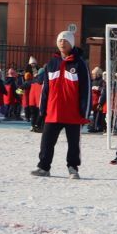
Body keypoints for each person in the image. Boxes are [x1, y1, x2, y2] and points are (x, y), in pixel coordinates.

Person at [30, 31, 89, 179]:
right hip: (53, 112)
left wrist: (84, 112)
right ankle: (44, 167)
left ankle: (73, 168)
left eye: (65, 40)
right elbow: (45, 89)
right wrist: (42, 109)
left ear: (72, 43)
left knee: (73, 144)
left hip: (72, 113)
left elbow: (86, 89)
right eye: (60, 40)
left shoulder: (80, 64)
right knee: (46, 142)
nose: (62, 43)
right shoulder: (51, 64)